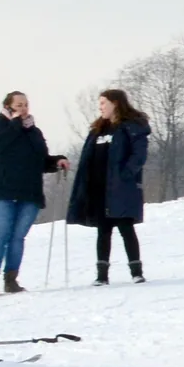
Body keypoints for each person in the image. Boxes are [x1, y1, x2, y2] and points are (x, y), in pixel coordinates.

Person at [0, 91, 68, 294]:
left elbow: (40, 160)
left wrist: (56, 161)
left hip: (29, 191)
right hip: (1, 190)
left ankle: (11, 279)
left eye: (26, 104)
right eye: (19, 105)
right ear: (8, 106)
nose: (23, 108)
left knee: (18, 237)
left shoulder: (34, 132)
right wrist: (15, 124)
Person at [68, 89, 151, 284]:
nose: (101, 107)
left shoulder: (131, 127)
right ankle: (102, 275)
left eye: (103, 103)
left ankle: (136, 272)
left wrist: (125, 174)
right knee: (103, 231)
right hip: (99, 189)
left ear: (115, 103)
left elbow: (139, 155)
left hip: (121, 188)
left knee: (126, 228)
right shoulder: (98, 130)